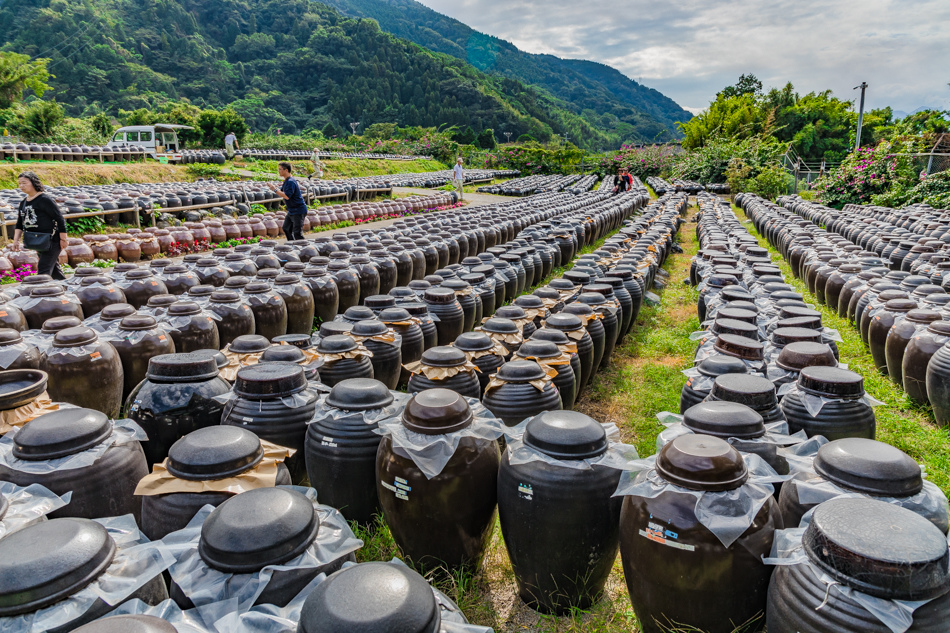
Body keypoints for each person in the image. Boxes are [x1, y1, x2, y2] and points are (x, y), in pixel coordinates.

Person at [12, 172, 68, 280]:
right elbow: (19, 223)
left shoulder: (44, 199)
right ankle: (66, 290)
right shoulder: (23, 202)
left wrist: (63, 239)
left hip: (52, 240)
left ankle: (40, 294)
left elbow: (59, 218)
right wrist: (16, 240)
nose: (21, 186)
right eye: (19, 183)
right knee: (55, 271)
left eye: (24, 183)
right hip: (38, 241)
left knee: (43, 270)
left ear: (33, 182)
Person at [268, 162, 308, 241]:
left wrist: (274, 189)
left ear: (286, 170)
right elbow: (282, 191)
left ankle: (304, 249)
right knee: (286, 228)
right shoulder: (287, 181)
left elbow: (286, 196)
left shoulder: (290, 182)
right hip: (292, 210)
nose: (278, 171)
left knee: (297, 233)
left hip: (298, 210)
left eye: (280, 169)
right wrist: (276, 188)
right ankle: (292, 244)